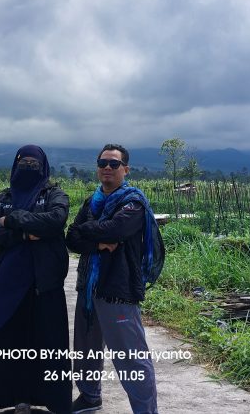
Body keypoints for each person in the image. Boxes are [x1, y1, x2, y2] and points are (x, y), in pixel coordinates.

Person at [0, 145, 72, 414]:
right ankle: (6, 400)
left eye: (34, 162)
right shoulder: (3, 197)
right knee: (7, 346)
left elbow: (55, 221)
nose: (28, 166)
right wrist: (23, 235)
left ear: (43, 167)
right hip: (5, 288)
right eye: (24, 162)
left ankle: (54, 403)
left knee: (48, 347)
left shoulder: (54, 194)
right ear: (15, 165)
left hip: (45, 286)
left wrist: (13, 219)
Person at [66, 144, 158, 414]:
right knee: (85, 349)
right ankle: (89, 397)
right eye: (102, 162)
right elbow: (71, 238)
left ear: (126, 169)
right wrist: (97, 243)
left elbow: (116, 229)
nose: (107, 167)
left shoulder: (133, 202)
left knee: (130, 357)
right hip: (89, 287)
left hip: (118, 289)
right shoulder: (92, 201)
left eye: (114, 164)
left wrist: (86, 231)